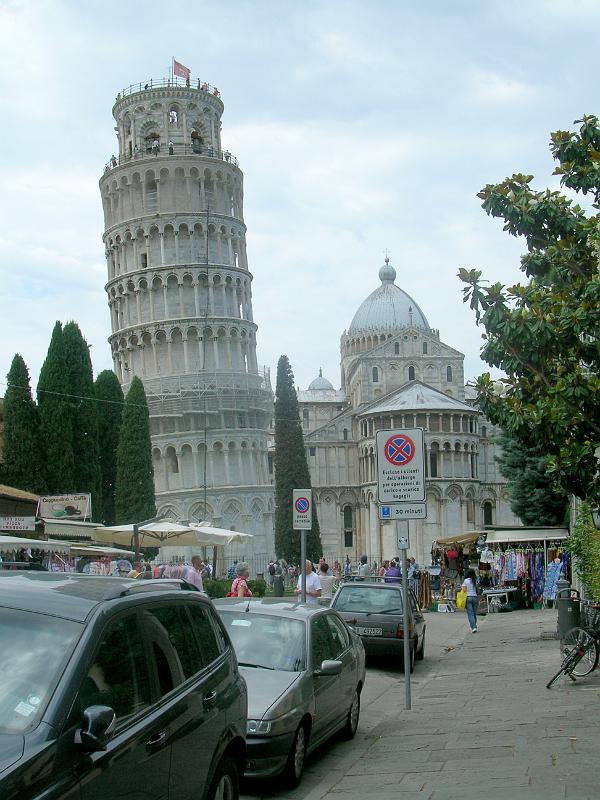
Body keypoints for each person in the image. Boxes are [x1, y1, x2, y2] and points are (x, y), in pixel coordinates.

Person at [461, 568, 479, 633]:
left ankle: (473, 627)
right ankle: (474, 625)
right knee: (474, 613)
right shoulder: (475, 580)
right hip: (475, 598)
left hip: (468, 598)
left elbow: (464, 590)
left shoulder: (466, 580)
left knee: (470, 614)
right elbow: (477, 589)